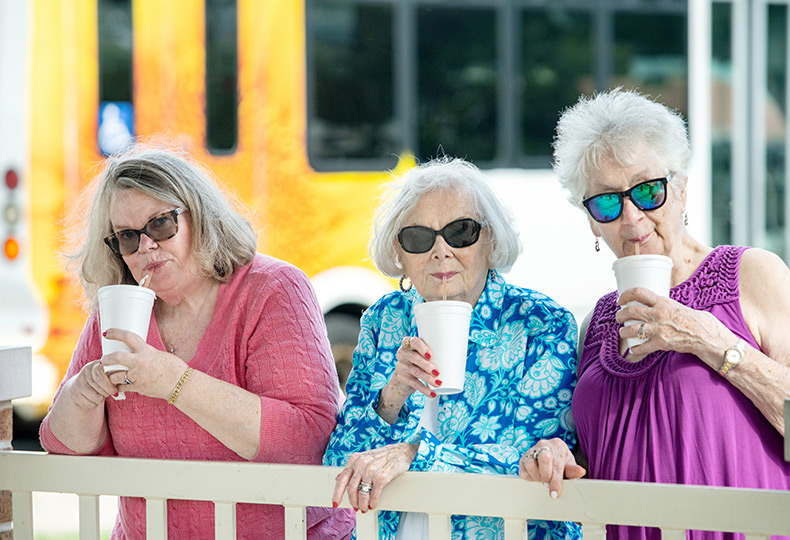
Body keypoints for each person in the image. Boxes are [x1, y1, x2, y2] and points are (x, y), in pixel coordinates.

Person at [39, 143, 355, 540]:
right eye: (127, 236)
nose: (146, 246)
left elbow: (308, 437)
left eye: (160, 224)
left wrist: (173, 382)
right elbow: (62, 444)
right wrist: (83, 393)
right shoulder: (121, 307)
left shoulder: (272, 289)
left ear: (198, 216)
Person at [518, 88, 790, 539]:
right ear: (590, 220)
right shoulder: (598, 324)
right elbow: (610, 453)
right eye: (606, 202)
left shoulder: (751, 274)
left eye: (648, 191)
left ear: (681, 188)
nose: (631, 218)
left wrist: (706, 337)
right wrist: (558, 453)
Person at [323, 156, 581, 540]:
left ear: (490, 240)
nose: (441, 251)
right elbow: (338, 462)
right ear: (400, 255)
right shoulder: (384, 320)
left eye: (461, 232)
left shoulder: (540, 323)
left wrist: (415, 454)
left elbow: (526, 467)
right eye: (419, 238)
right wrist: (392, 394)